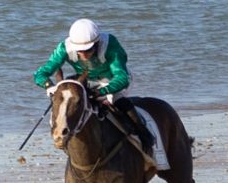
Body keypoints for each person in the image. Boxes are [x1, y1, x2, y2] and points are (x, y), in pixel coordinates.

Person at [33, 18, 154, 159]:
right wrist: (50, 86)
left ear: (96, 43)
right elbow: (40, 74)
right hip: (85, 80)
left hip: (112, 81)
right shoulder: (64, 48)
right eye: (80, 51)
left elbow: (121, 77)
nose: (83, 54)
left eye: (88, 50)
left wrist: (102, 91)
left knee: (116, 100)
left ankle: (143, 134)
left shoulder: (110, 45)